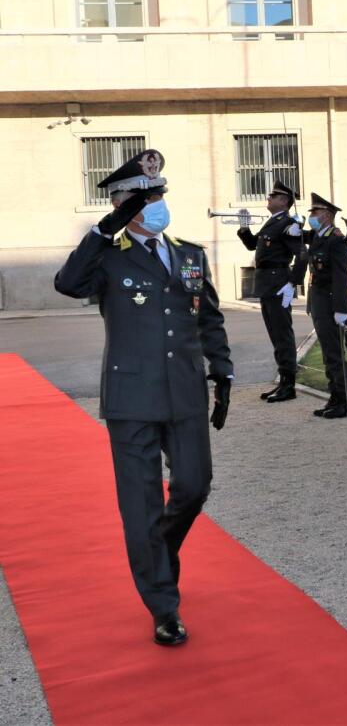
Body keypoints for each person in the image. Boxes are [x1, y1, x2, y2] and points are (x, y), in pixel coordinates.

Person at [54, 149, 233, 647]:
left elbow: (209, 318)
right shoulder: (108, 259)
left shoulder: (190, 254)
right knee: (141, 505)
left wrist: (223, 369)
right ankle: (163, 604)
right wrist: (102, 230)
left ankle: (162, 552)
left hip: (185, 394)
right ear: (123, 205)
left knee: (195, 486)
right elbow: (67, 284)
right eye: (147, 197)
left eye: (160, 194)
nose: (158, 203)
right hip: (132, 398)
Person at [236, 180, 307, 403]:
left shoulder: (287, 224)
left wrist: (292, 283)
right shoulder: (273, 222)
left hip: (278, 282)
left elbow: (302, 255)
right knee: (275, 334)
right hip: (267, 282)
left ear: (284, 201)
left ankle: (289, 385)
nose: (268, 198)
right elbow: (253, 245)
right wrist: (244, 228)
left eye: (273, 196)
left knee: (282, 334)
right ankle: (284, 382)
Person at [305, 193, 347, 418]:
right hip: (319, 303)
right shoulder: (319, 238)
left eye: (315, 213)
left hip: (331, 304)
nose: (311, 216)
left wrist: (341, 309)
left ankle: (345, 401)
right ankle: (335, 397)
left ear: (326, 215)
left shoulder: (336, 240)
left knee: (334, 354)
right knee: (328, 354)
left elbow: (341, 277)